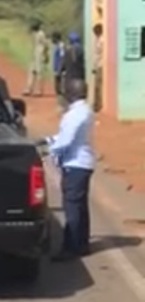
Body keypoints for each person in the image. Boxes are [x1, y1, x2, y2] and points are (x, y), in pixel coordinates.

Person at [44, 78, 94, 260]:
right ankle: (82, 244)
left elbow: (66, 141)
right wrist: (48, 140)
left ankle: (70, 247)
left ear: (70, 95)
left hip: (75, 164)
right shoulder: (84, 111)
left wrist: (48, 150)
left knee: (72, 206)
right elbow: (64, 136)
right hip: (83, 163)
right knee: (80, 206)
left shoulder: (73, 115)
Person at [24, 21, 48, 96]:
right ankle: (28, 89)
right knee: (31, 72)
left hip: (39, 55)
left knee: (39, 73)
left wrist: (45, 55)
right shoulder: (33, 34)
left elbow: (46, 45)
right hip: (33, 54)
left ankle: (39, 90)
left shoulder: (41, 34)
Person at [51, 32, 66, 108]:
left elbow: (62, 58)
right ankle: (59, 103)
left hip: (60, 70)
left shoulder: (61, 46)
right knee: (57, 87)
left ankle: (62, 104)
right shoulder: (56, 46)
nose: (52, 40)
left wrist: (59, 70)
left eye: (53, 38)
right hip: (56, 69)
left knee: (60, 88)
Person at [91, 22, 103, 112]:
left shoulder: (102, 41)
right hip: (97, 65)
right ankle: (96, 104)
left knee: (98, 86)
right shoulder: (97, 40)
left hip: (100, 65)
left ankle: (97, 105)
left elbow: (100, 54)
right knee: (96, 87)